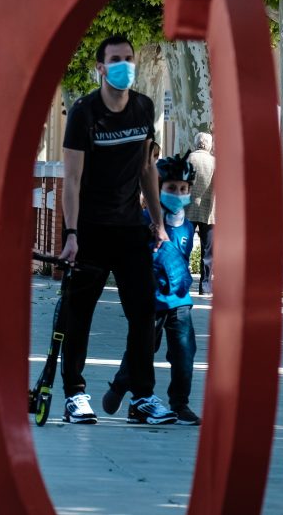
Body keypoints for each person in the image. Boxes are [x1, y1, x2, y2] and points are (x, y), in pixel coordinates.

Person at [57, 35, 176, 425]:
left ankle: (142, 398)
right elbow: (71, 180)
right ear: (101, 68)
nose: (124, 65)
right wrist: (71, 234)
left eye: (129, 58)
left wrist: (158, 224)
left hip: (129, 229)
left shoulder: (143, 107)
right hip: (89, 229)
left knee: (143, 314)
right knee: (79, 315)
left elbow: (146, 169)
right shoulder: (83, 112)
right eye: (115, 59)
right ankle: (75, 394)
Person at [103, 153, 202, 425]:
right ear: (157, 189)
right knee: (142, 350)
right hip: (150, 301)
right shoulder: (144, 221)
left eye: (184, 189)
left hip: (180, 302)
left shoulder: (188, 226)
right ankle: (121, 385)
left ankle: (180, 404)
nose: (178, 193)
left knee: (184, 352)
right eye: (171, 188)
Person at [188, 133, 216, 294]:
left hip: (187, 210)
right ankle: (204, 286)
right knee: (207, 251)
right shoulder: (215, 162)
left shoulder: (187, 159)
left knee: (184, 247)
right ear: (209, 145)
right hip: (210, 211)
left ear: (196, 143)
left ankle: (181, 283)